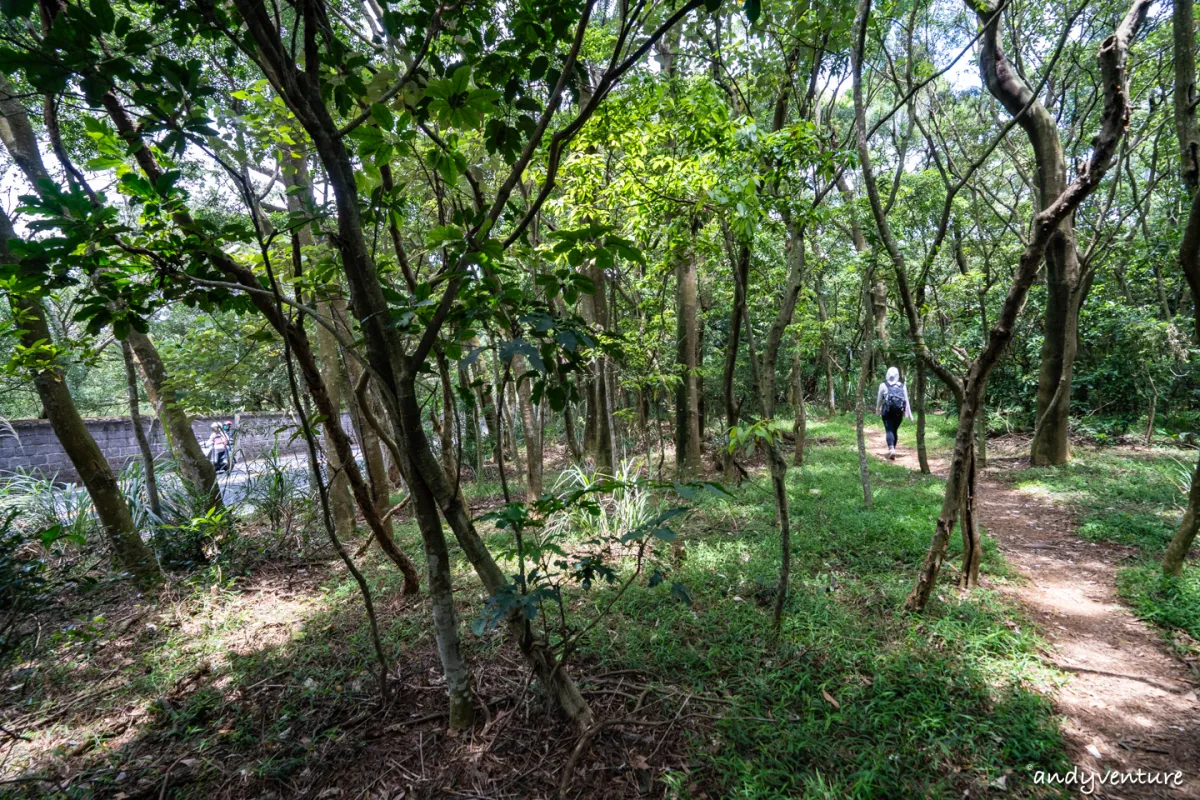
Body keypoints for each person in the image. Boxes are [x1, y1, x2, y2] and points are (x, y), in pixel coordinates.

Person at [875, 366, 914, 459]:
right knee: (894, 430)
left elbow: (879, 400)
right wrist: (910, 415)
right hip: (898, 412)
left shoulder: (883, 385)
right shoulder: (902, 386)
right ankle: (893, 449)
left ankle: (891, 449)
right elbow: (906, 401)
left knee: (889, 430)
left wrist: (877, 410)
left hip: (887, 412)